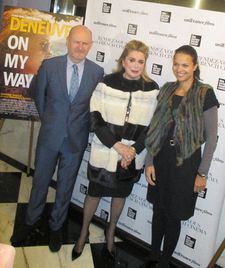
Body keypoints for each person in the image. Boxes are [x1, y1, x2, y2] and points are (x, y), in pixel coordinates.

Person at [10, 25, 104, 252]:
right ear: (68, 41)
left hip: (75, 140)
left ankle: (56, 226)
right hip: (49, 137)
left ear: (90, 45)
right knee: (40, 182)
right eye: (76, 42)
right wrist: (50, 120)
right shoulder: (50, 66)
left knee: (65, 186)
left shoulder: (97, 72)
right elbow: (38, 94)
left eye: (85, 43)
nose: (80, 47)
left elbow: (94, 107)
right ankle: (30, 222)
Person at [71, 39, 159, 263]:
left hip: (131, 158)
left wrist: (132, 151)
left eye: (141, 61)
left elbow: (151, 127)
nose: (136, 65)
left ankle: (111, 233)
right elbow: (95, 117)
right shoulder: (106, 83)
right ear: (123, 60)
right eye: (132, 60)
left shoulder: (151, 89)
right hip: (105, 152)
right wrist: (117, 145)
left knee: (120, 195)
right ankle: (83, 233)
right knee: (94, 193)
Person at [142, 45, 219, 268]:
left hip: (187, 163)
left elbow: (212, 139)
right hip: (161, 158)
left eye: (185, 65)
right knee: (158, 210)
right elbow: (154, 128)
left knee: (174, 215)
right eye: (176, 63)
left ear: (195, 66)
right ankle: (153, 254)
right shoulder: (166, 89)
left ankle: (165, 260)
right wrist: (149, 162)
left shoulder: (205, 93)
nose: (179, 69)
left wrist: (201, 173)